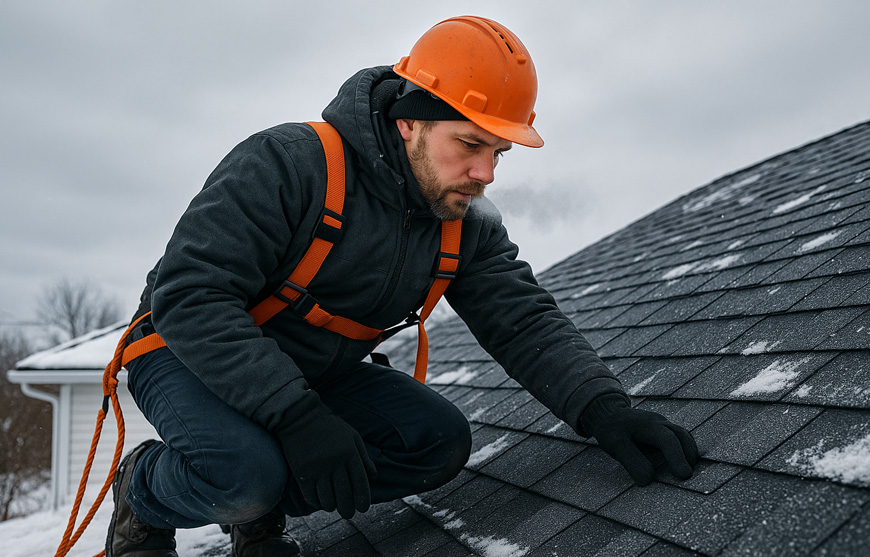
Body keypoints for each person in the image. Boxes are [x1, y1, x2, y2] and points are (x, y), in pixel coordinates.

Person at [106, 15, 699, 557]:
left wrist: (606, 411)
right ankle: (147, 493)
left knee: (436, 443)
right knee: (243, 477)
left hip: (312, 368)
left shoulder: (463, 221)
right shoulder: (288, 163)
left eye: (498, 152)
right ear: (408, 119)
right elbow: (190, 295)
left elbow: (521, 319)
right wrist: (294, 416)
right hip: (184, 349)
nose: (485, 174)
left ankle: (260, 502)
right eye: (469, 144)